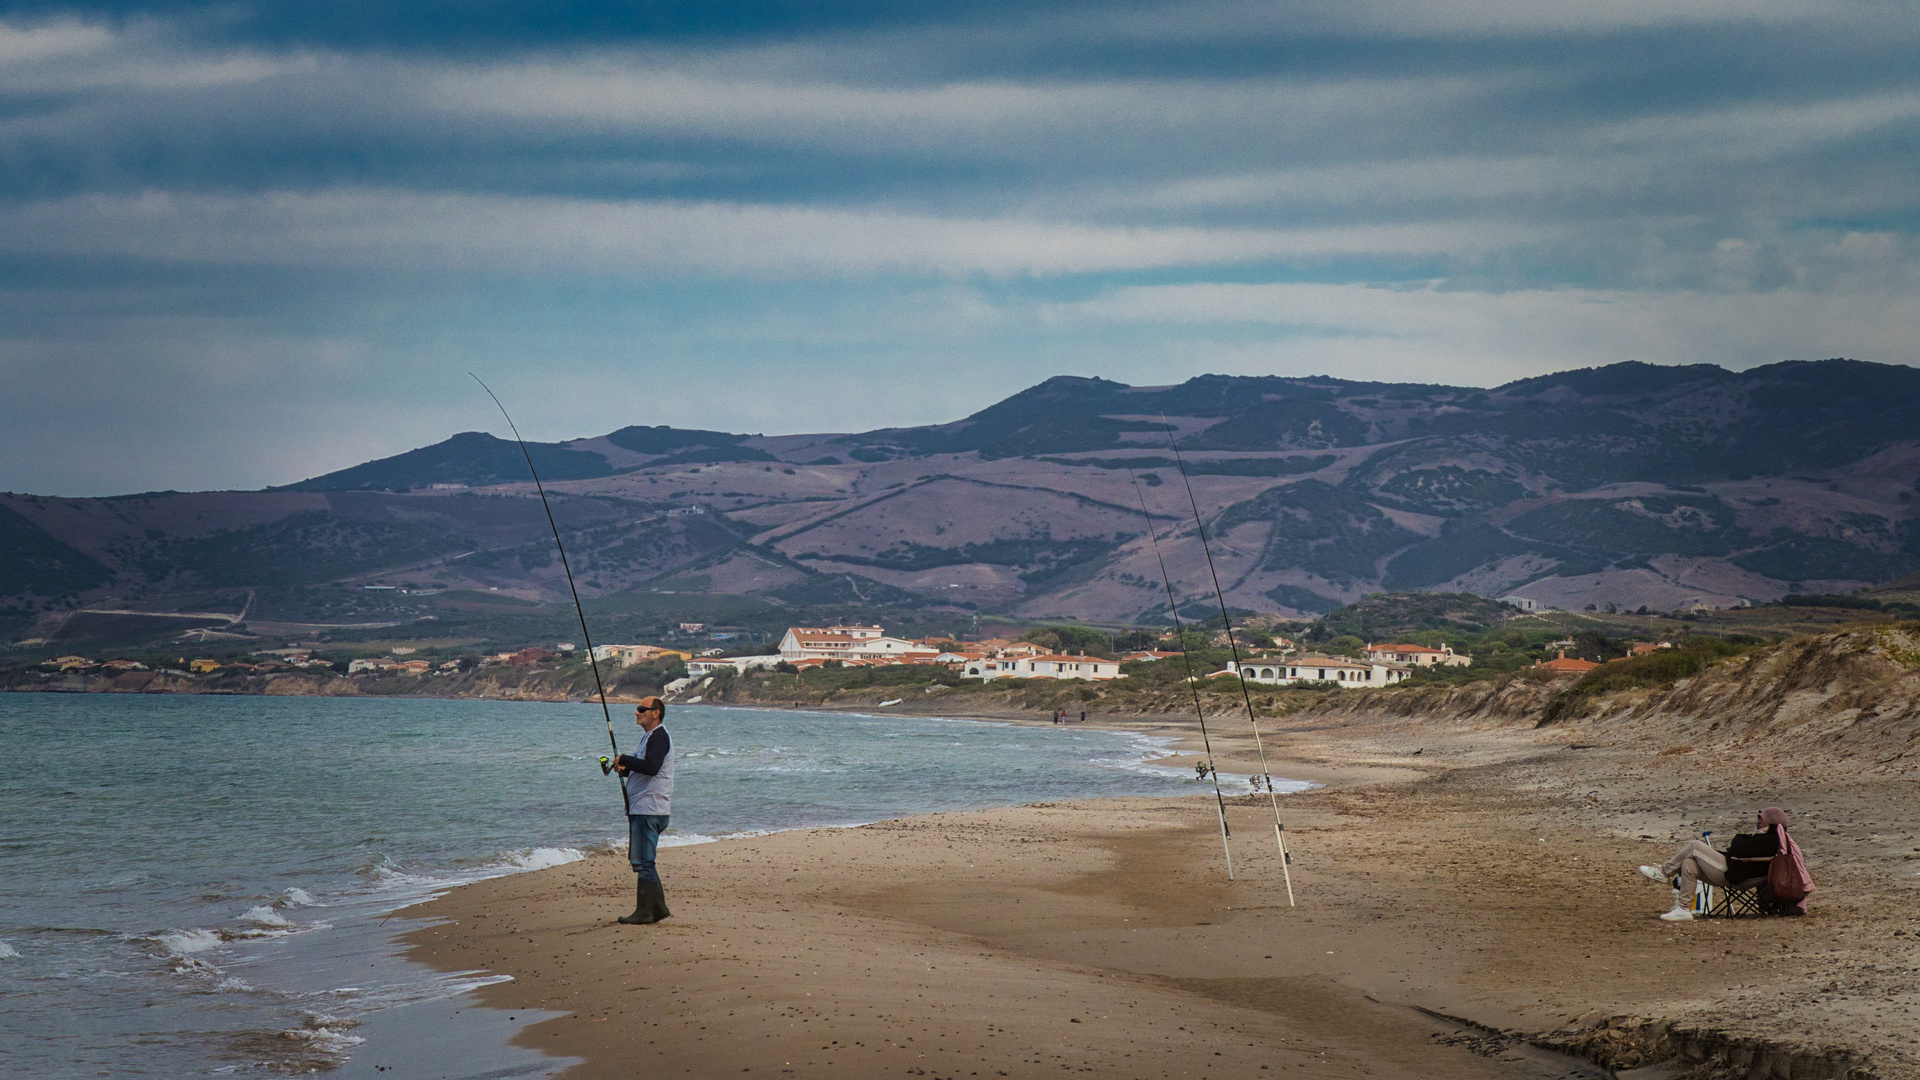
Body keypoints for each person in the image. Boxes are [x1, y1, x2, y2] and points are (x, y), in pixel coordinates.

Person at [1638, 807, 1787, 922]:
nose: (1758, 821)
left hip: (1734, 876)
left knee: (1695, 845)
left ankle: (1663, 872)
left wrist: (1742, 840)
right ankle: (1683, 909)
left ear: (1770, 821)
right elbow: (1738, 843)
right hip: (1734, 871)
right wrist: (1743, 840)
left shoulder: (1767, 840)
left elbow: (1734, 848)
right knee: (1689, 863)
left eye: (1761, 818)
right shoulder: (1767, 838)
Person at [612, 696, 674, 925]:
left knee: (643, 861)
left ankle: (644, 912)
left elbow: (651, 767)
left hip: (650, 809)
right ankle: (658, 908)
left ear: (655, 713)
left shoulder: (659, 736)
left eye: (641, 709)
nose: (636, 713)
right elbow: (645, 768)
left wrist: (625, 758)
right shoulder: (650, 738)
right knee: (643, 860)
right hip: (646, 808)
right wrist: (625, 768)